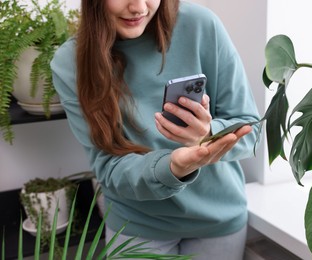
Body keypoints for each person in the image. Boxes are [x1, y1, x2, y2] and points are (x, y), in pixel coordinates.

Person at [51, 0, 261, 259]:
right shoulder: (70, 62)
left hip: (217, 218)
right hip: (137, 224)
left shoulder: (200, 25)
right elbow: (109, 167)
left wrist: (207, 135)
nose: (139, 7)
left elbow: (252, 132)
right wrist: (172, 167)